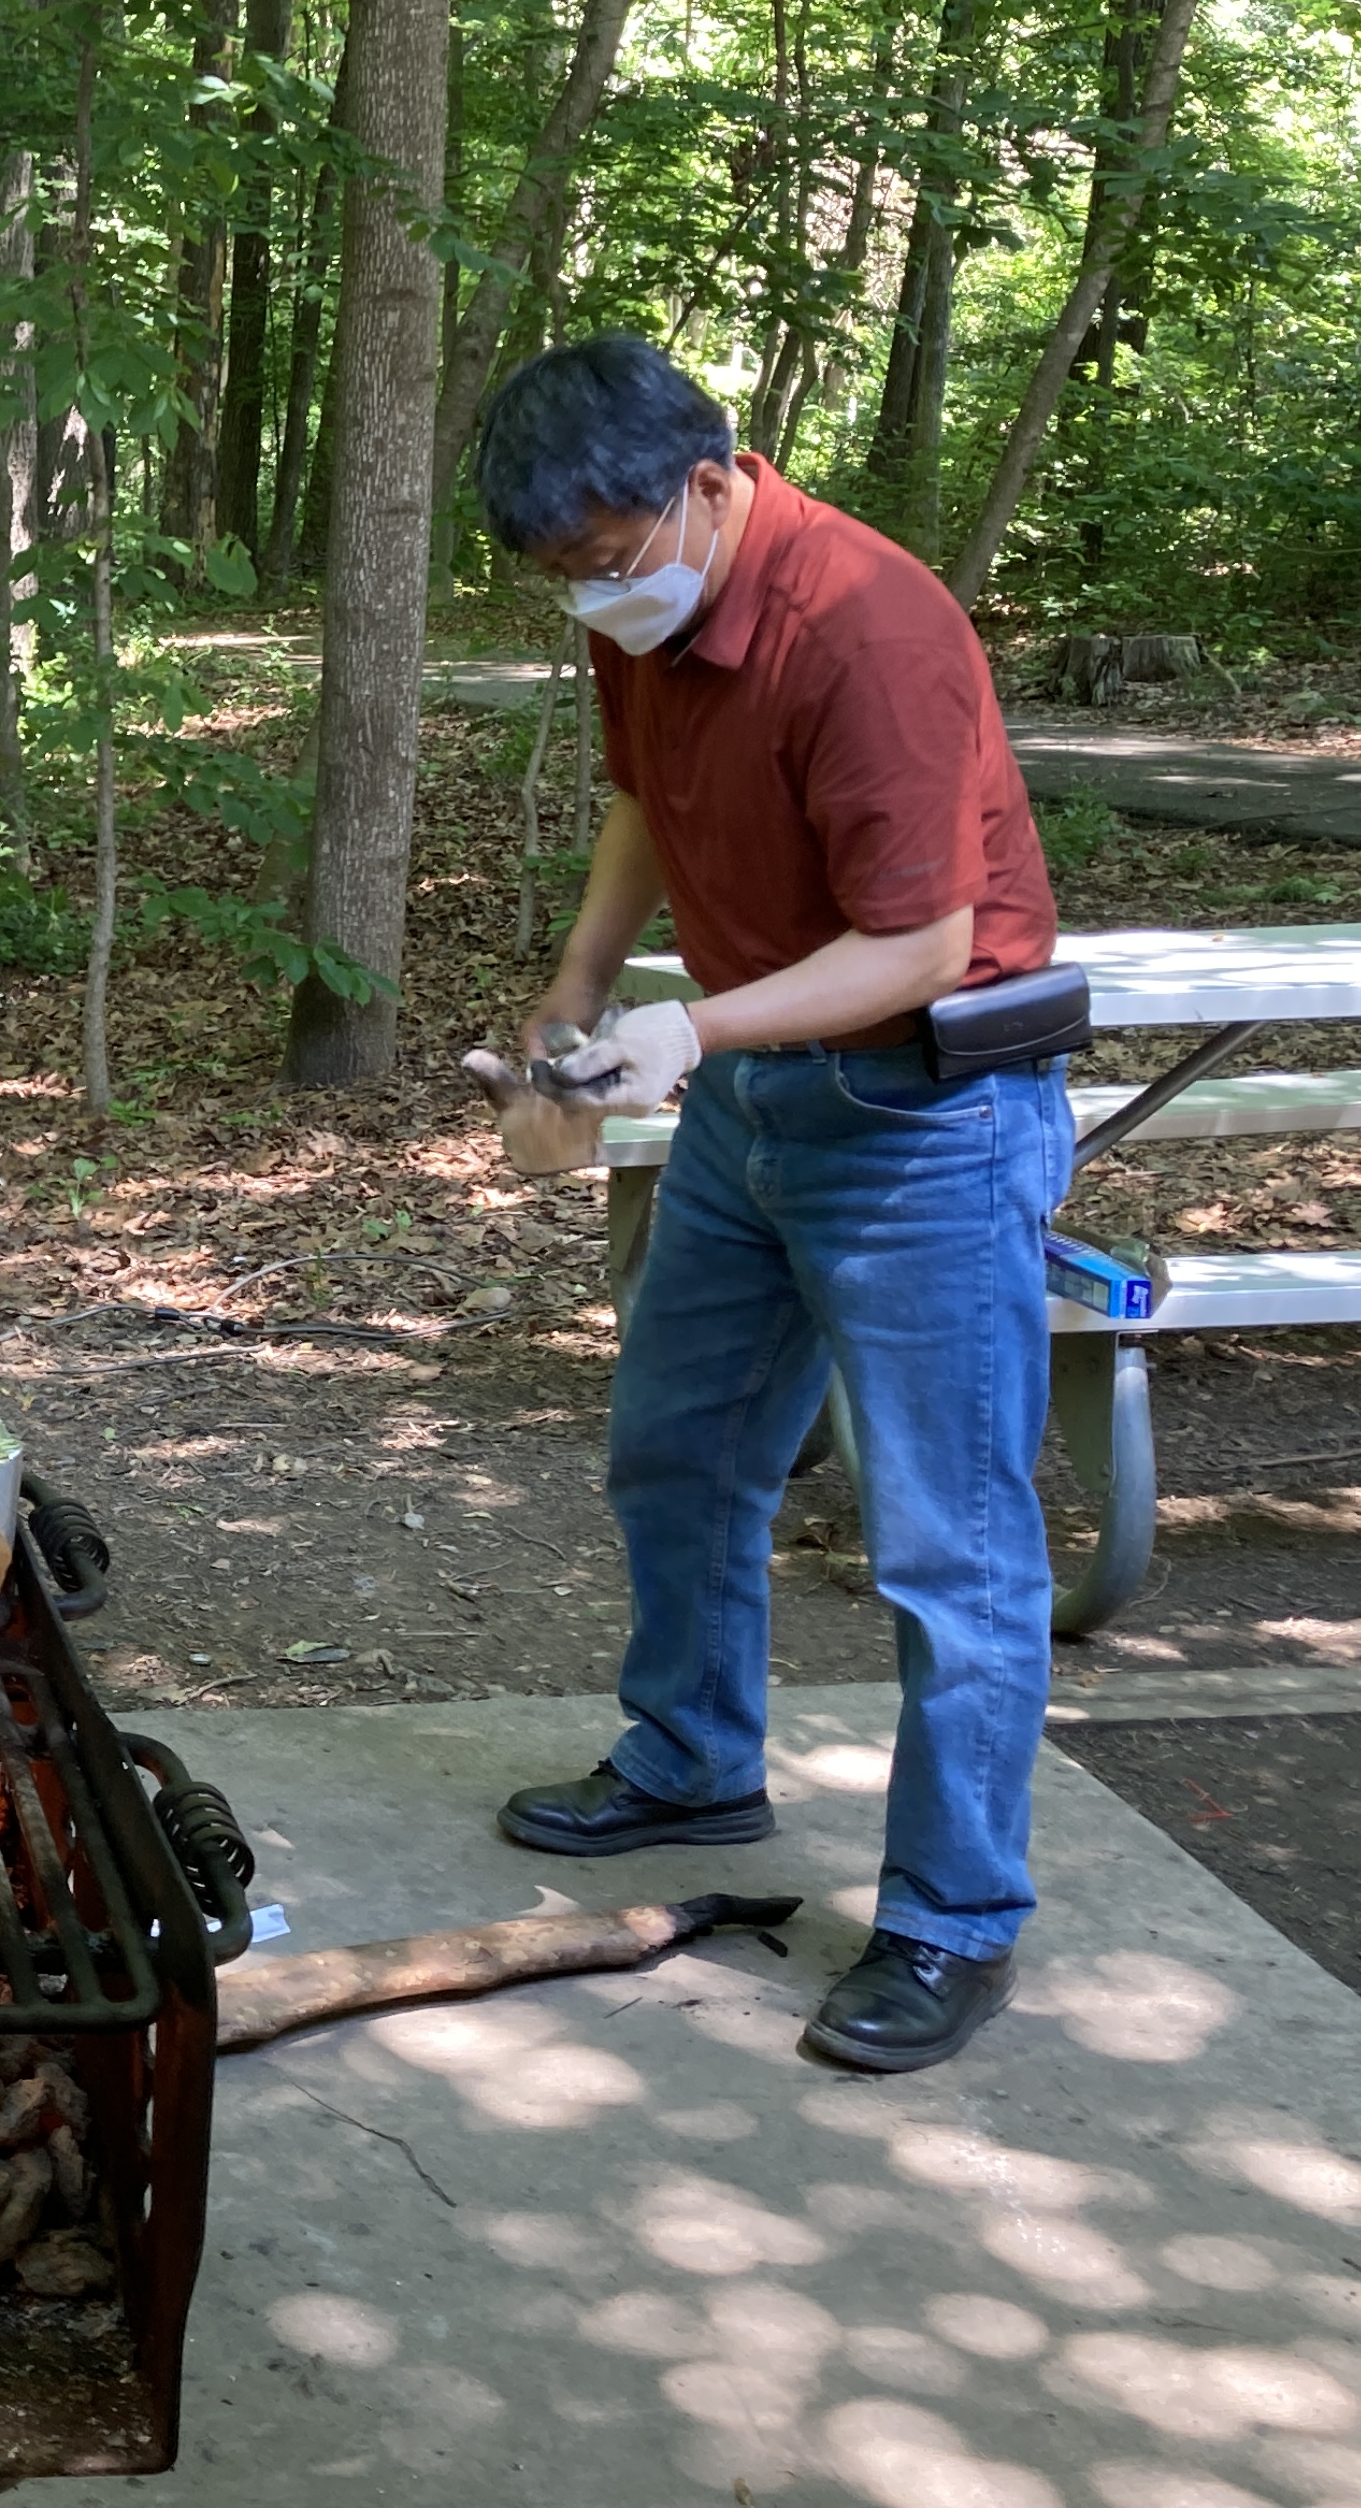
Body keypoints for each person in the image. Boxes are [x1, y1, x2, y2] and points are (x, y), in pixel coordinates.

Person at [464, 334, 1070, 2075]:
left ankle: (956, 1921)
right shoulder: (647, 611)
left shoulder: (869, 630)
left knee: (948, 1546)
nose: (596, 599)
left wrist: (693, 1029)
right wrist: (582, 993)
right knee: (680, 1447)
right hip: (758, 1103)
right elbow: (644, 800)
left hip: (931, 1116)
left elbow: (922, 946)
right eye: (564, 577)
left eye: (607, 560)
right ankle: (691, 1763)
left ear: (712, 485)